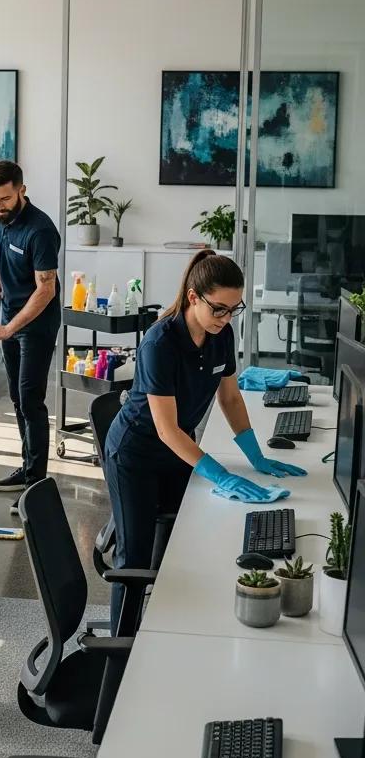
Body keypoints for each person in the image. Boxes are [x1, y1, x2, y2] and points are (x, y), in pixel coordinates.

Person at [104, 249, 306, 631]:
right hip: (136, 454)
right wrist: (222, 475)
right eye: (219, 309)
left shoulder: (221, 335)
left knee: (184, 540)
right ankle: (121, 648)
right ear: (194, 297)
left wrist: (256, 456)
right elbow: (166, 429)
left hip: (178, 451)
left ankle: (164, 628)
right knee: (135, 557)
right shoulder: (160, 343)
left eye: (234, 309)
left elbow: (229, 397)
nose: (227, 318)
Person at [0, 160, 62, 509]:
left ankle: (36, 483)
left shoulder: (41, 230)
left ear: (22, 191)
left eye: (5, 199)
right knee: (16, 397)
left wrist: (9, 330)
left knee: (31, 398)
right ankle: (27, 465)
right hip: (11, 315)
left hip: (36, 322)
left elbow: (46, 290)